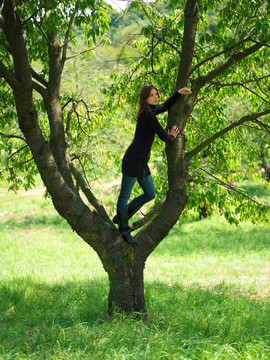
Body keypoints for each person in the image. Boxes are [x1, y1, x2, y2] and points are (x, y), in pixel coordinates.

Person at [114, 84, 192, 244]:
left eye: (156, 94)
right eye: (151, 95)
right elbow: (165, 137)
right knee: (124, 197)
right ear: (144, 99)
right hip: (132, 161)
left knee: (150, 194)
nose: (156, 97)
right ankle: (124, 231)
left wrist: (178, 93)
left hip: (141, 163)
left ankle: (123, 214)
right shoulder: (148, 116)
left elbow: (165, 105)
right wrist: (172, 136)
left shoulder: (149, 112)